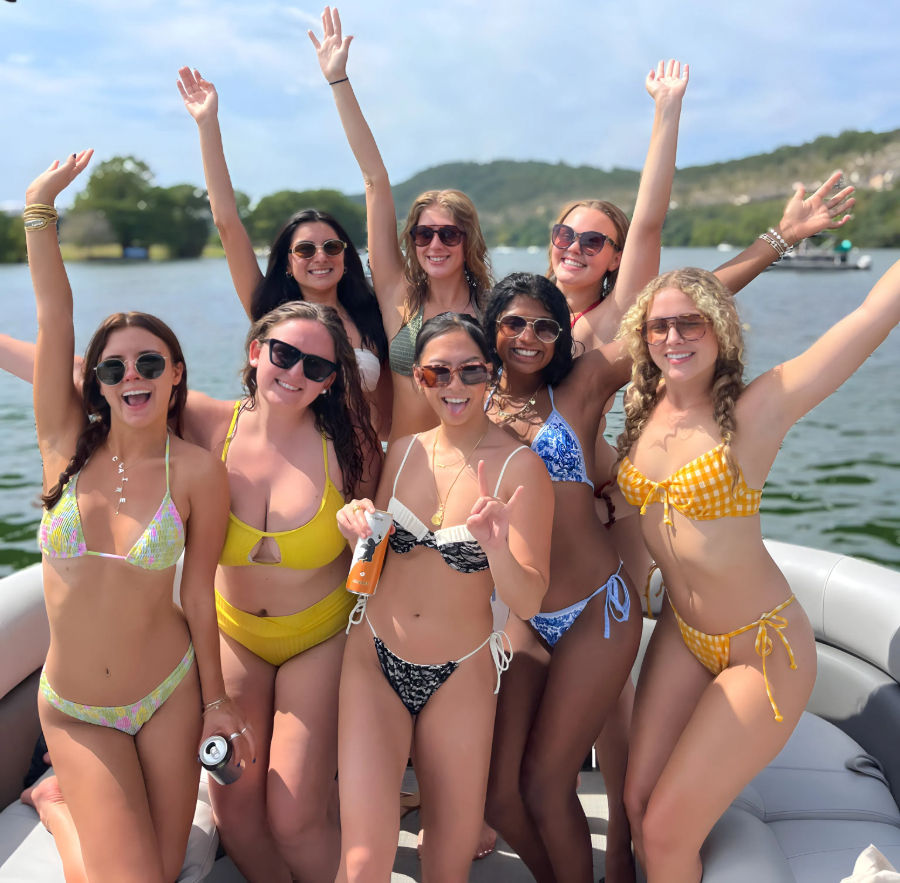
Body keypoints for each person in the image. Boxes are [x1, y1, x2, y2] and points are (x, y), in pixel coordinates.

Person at [615, 261, 900, 882]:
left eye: (690, 322)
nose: (673, 338)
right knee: (636, 805)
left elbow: (869, 319)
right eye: (659, 326)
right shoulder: (645, 408)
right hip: (683, 634)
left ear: (720, 330)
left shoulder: (757, 410)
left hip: (763, 647)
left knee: (664, 832)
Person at [22, 150, 248, 883]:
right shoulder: (63, 445)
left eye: (149, 363)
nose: (131, 378)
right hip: (76, 705)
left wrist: (216, 703)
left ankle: (57, 806)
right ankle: (56, 800)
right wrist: (38, 209)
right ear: (101, 382)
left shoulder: (197, 473)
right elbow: (55, 316)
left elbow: (199, 595)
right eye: (114, 368)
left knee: (162, 866)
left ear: (177, 372)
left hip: (167, 693)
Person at [335, 312, 553, 881]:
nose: (454, 387)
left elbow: (528, 601)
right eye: (436, 374)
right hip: (373, 658)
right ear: (418, 380)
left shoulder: (521, 466)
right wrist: (357, 527)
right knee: (361, 862)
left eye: (469, 371)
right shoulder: (403, 451)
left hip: (461, 673)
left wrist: (498, 547)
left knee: (447, 866)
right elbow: (372, 560)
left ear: (492, 375)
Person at [181, 300, 380, 881]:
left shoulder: (354, 449)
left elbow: (376, 560)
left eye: (315, 367)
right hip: (234, 635)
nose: (295, 374)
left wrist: (364, 534)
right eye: (284, 355)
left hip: (317, 638)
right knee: (236, 812)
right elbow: (84, 375)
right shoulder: (204, 423)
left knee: (292, 818)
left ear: (331, 382)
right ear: (255, 352)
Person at [481, 273, 638, 883]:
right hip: (526, 616)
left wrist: (779, 240)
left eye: (545, 326)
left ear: (561, 337)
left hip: (598, 607)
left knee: (546, 785)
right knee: (500, 797)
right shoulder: (470, 400)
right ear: (492, 326)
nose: (528, 337)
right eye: (514, 322)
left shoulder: (579, 388)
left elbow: (670, 313)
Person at [309, 8, 494, 441]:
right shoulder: (397, 294)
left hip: (474, 466)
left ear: (468, 241)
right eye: (423, 234)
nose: (435, 244)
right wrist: (338, 81)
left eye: (449, 234)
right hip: (405, 467)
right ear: (411, 242)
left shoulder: (492, 310)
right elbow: (375, 180)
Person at [176, 66, 391, 438]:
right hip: (290, 459)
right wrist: (208, 124)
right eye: (305, 249)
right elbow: (226, 223)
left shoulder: (374, 314)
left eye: (332, 247)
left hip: (363, 464)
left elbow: (376, 183)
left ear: (346, 257)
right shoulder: (271, 314)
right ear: (288, 264)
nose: (320, 256)